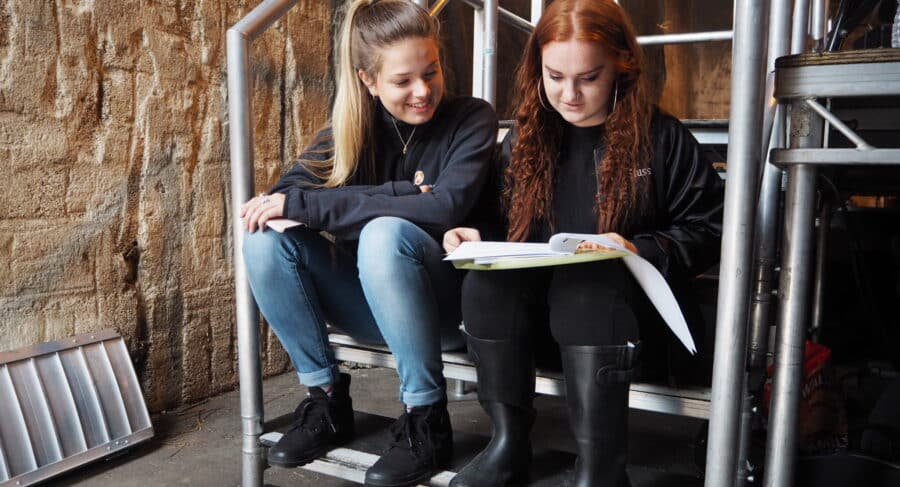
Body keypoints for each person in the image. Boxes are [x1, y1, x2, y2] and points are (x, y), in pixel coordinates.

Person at [442, 1, 724, 486]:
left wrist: (639, 248)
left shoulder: (663, 139)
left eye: (588, 78)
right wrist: (474, 236)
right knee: (486, 287)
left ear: (621, 66)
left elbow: (710, 231)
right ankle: (508, 445)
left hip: (630, 333)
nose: (569, 94)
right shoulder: (525, 140)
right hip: (540, 336)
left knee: (587, 285)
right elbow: (497, 224)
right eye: (554, 77)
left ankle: (601, 469)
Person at [240, 1, 497, 485]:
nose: (423, 91)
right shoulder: (349, 131)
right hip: (368, 305)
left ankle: (425, 419)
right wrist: (400, 193)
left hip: (448, 309)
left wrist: (343, 207)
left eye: (431, 71)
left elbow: (444, 207)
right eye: (403, 81)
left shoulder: (472, 119)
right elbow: (282, 198)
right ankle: (327, 402)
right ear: (368, 80)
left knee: (384, 233)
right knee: (263, 240)